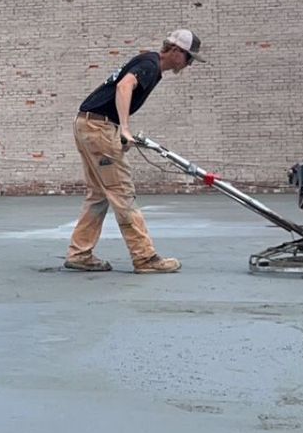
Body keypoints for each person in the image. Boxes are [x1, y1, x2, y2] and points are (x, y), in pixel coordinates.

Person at [65, 29, 202, 273]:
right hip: (99, 127)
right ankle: (145, 258)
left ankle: (80, 253)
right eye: (189, 57)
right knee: (122, 192)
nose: (189, 63)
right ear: (176, 51)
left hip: (87, 124)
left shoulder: (149, 64)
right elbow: (125, 85)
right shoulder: (150, 64)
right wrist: (124, 129)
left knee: (98, 193)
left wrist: (120, 131)